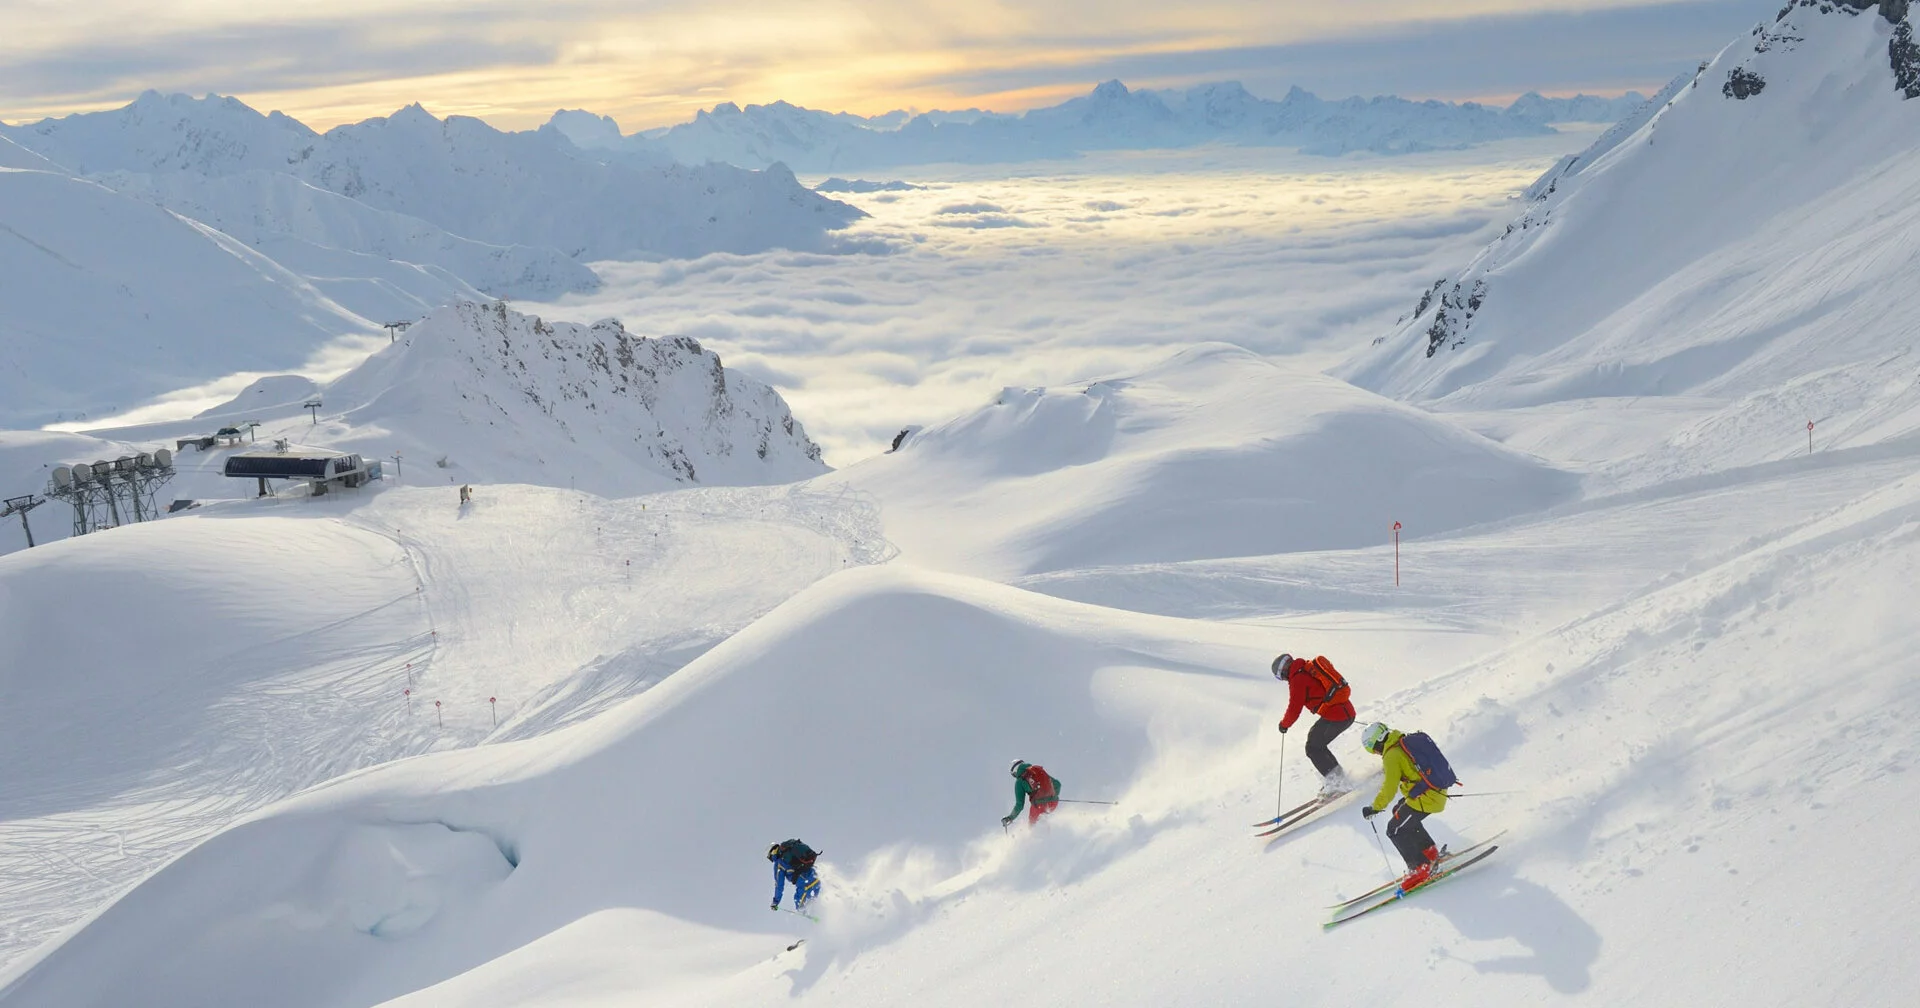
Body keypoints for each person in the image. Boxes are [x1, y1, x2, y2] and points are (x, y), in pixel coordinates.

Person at [1358, 722, 1448, 892]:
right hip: (1434, 791)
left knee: (1394, 829)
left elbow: (1389, 788)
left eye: (1373, 749)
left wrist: (1374, 807)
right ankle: (1429, 852)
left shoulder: (1391, 755)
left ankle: (1420, 868)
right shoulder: (1401, 741)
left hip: (1427, 797)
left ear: (1377, 743)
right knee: (1399, 813)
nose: (1376, 753)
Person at [1273, 653, 1357, 798]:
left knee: (1313, 747)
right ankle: (1338, 780)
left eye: (1279, 677)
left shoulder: (1297, 679)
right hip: (1343, 713)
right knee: (1316, 742)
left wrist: (1284, 724)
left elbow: (1294, 708)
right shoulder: (1306, 668)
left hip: (1337, 716)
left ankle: (1337, 783)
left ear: (1283, 672)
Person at [1002, 760, 1061, 827]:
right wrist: (1052, 797)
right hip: (1053, 803)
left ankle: (1038, 832)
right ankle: (1047, 826)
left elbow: (1019, 805)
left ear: (1014, 772)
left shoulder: (1019, 781)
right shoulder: (1036, 769)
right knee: (1044, 819)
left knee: (1032, 826)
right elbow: (1057, 784)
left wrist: (1010, 818)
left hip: (1038, 806)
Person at [767, 839, 821, 912]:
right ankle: (819, 913)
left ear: (772, 853)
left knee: (799, 905)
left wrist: (775, 902)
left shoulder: (779, 863)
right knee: (816, 901)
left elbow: (779, 885)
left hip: (805, 884)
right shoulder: (790, 849)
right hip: (816, 878)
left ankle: (808, 915)